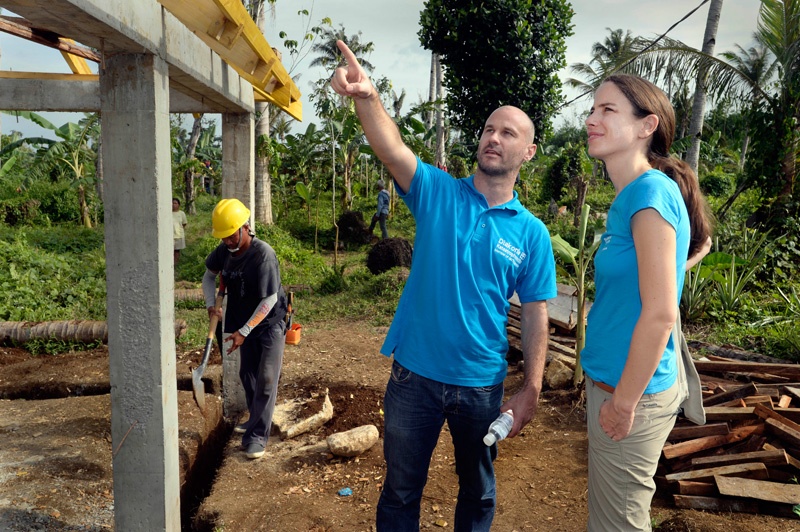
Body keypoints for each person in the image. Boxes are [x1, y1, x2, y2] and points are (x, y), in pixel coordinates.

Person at [331, 40, 557, 531]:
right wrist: (367, 97)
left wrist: (532, 388)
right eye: (489, 129)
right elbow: (391, 148)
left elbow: (537, 311)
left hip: (481, 385)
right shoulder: (437, 193)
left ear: (528, 151)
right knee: (400, 489)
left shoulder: (531, 233)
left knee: (477, 492)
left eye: (508, 132)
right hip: (414, 378)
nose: (494, 137)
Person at [581, 74, 713, 530]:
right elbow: (657, 275)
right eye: (593, 109)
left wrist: (622, 403)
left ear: (646, 126)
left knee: (616, 524)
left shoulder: (648, 193)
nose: (591, 119)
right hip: (619, 382)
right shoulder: (637, 193)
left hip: (629, 393)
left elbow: (660, 313)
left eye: (607, 110)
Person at [202, 198, 287, 460]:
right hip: (243, 322)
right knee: (247, 373)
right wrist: (210, 305)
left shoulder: (263, 254)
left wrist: (245, 331)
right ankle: (257, 420)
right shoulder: (224, 251)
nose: (227, 241)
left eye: (231, 235)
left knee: (266, 378)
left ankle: (258, 436)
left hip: (269, 323)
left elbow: (269, 299)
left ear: (245, 227)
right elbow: (208, 276)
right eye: (223, 237)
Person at [172, 198, 188, 265]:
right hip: (170, 236)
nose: (173, 205)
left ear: (178, 205)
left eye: (175, 203)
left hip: (178, 235)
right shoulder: (168, 213)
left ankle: (176, 264)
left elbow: (184, 223)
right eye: (172, 203)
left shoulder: (181, 213)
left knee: (177, 251)